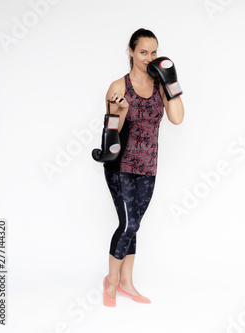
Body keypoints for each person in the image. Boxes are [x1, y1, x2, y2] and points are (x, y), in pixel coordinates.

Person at [101, 28, 184, 307]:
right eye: (144, 52)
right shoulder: (118, 87)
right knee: (130, 223)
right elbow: (112, 134)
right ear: (131, 52)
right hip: (120, 164)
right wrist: (120, 111)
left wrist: (171, 82)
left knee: (133, 226)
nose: (150, 57)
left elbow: (177, 118)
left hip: (148, 165)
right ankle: (111, 282)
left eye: (154, 52)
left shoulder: (161, 83)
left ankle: (127, 283)